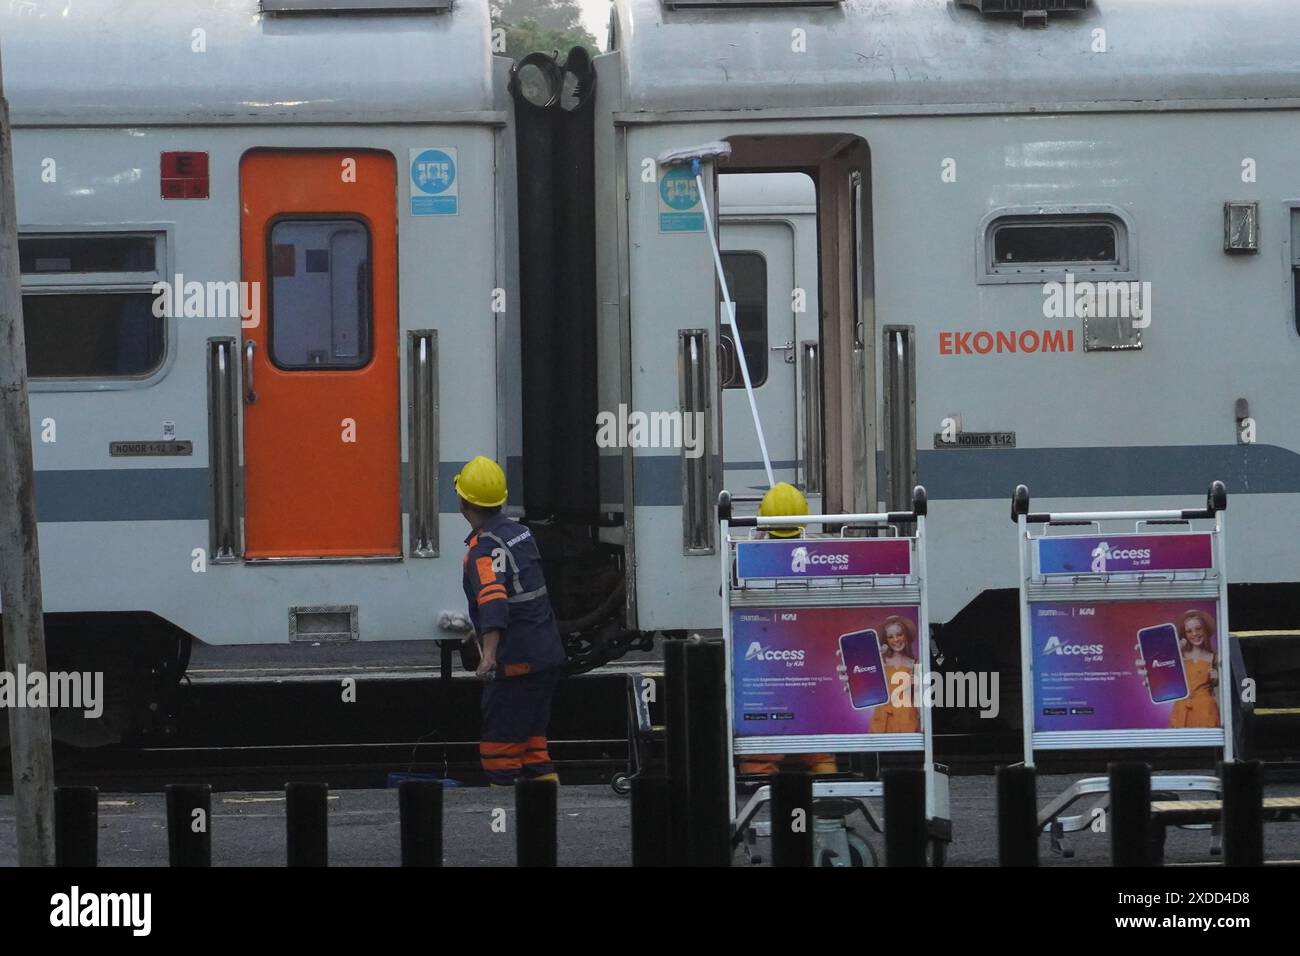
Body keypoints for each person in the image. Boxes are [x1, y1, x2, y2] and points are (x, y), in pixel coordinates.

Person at [456, 455, 567, 786]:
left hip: (518, 661)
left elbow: (494, 599)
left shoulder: (482, 549)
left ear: (464, 503)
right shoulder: (520, 533)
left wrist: (489, 655)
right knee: (533, 748)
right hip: (546, 654)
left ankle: (502, 828)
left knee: (499, 752)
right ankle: (550, 819)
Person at [737, 482, 837, 777]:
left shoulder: (751, 557)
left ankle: (759, 771)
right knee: (813, 710)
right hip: (810, 658)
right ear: (805, 516)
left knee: (764, 711)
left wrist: (754, 539)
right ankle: (824, 768)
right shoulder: (820, 554)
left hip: (766, 660)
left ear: (763, 518)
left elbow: (726, 592)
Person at [866, 615, 921, 734]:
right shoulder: (880, 662)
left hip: (907, 720)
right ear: (886, 640)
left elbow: (919, 698)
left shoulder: (915, 663)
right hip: (882, 720)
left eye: (899, 634)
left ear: (906, 635)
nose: (896, 640)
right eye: (890, 637)